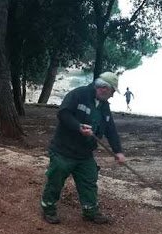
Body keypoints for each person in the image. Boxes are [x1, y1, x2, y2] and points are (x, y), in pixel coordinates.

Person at [40, 72, 126, 225]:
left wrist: (118, 151)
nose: (113, 95)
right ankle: (48, 208)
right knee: (55, 181)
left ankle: (90, 211)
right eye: (112, 91)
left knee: (89, 181)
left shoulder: (104, 106)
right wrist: (78, 127)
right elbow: (63, 113)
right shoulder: (78, 94)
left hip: (85, 154)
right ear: (104, 88)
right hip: (63, 151)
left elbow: (110, 130)